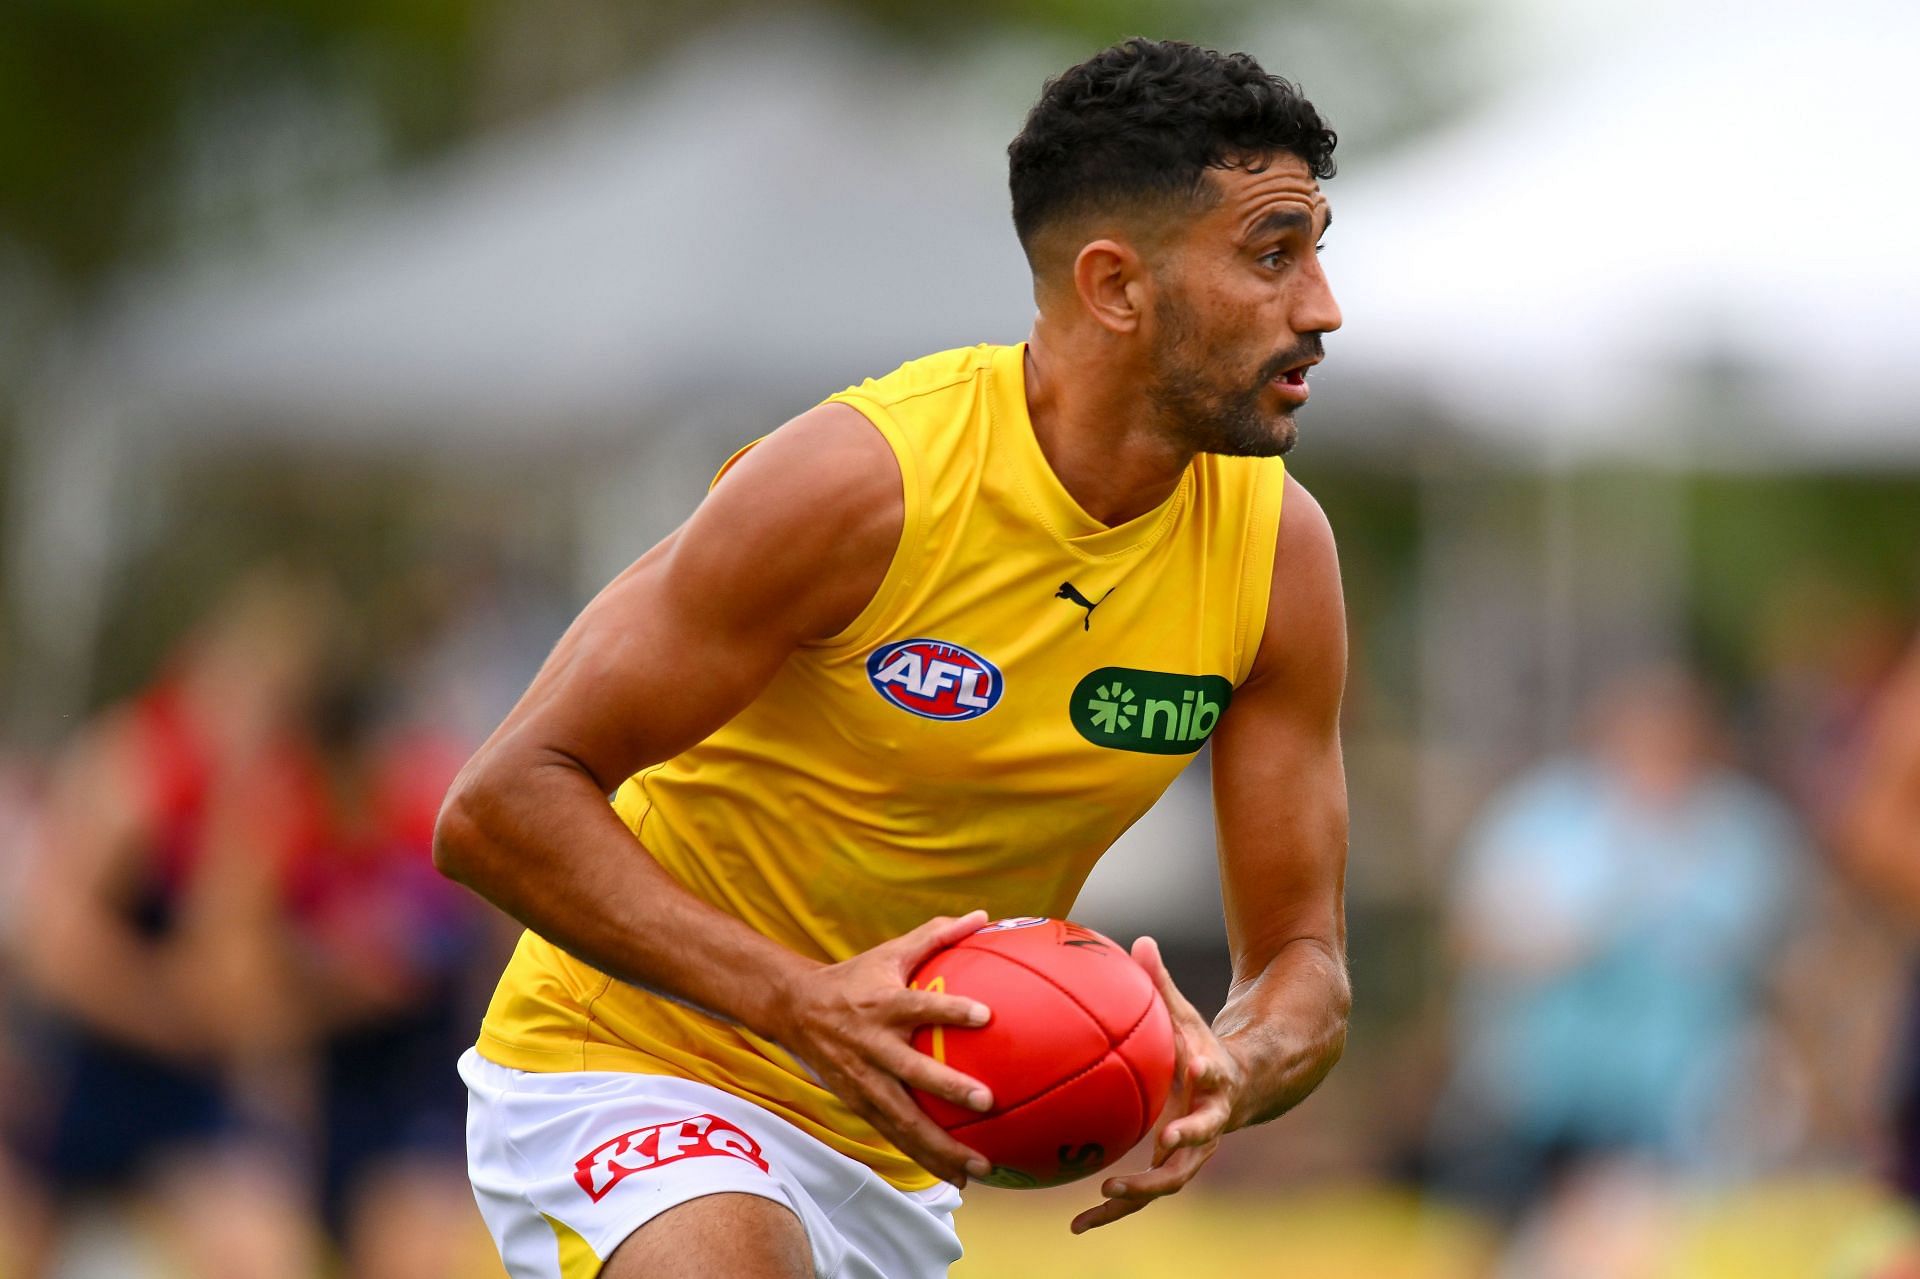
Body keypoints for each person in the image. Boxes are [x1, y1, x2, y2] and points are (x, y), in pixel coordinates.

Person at [436, 37, 1351, 1279]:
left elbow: (1305, 963)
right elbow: (498, 805)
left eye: (1317, 249)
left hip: (894, 1144)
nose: (1321, 307)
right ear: (1115, 285)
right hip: (635, 1064)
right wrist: (795, 1003)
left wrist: (1226, 1065)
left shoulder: (1278, 551)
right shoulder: (859, 484)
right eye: (1272, 254)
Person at [1430, 666, 1800, 1223]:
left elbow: (1790, 958)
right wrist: (1550, 943)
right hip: (1544, 1099)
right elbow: (1469, 934)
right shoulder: (1541, 819)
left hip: (1690, 1110)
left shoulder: (1745, 831)